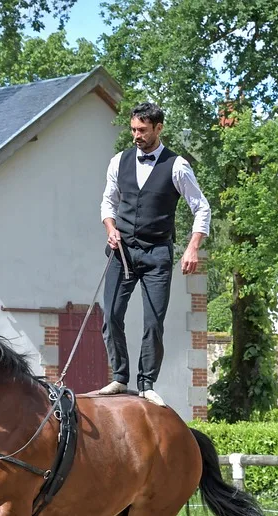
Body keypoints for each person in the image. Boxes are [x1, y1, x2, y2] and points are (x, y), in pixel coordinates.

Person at [98, 102, 211, 406]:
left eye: (142, 130)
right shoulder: (117, 162)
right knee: (110, 315)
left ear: (158, 128)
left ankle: (146, 383)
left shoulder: (177, 166)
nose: (136, 135)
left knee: (153, 323)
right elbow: (108, 203)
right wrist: (110, 228)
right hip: (121, 251)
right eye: (133, 129)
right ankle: (120, 377)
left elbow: (201, 208)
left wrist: (192, 247)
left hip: (157, 253)